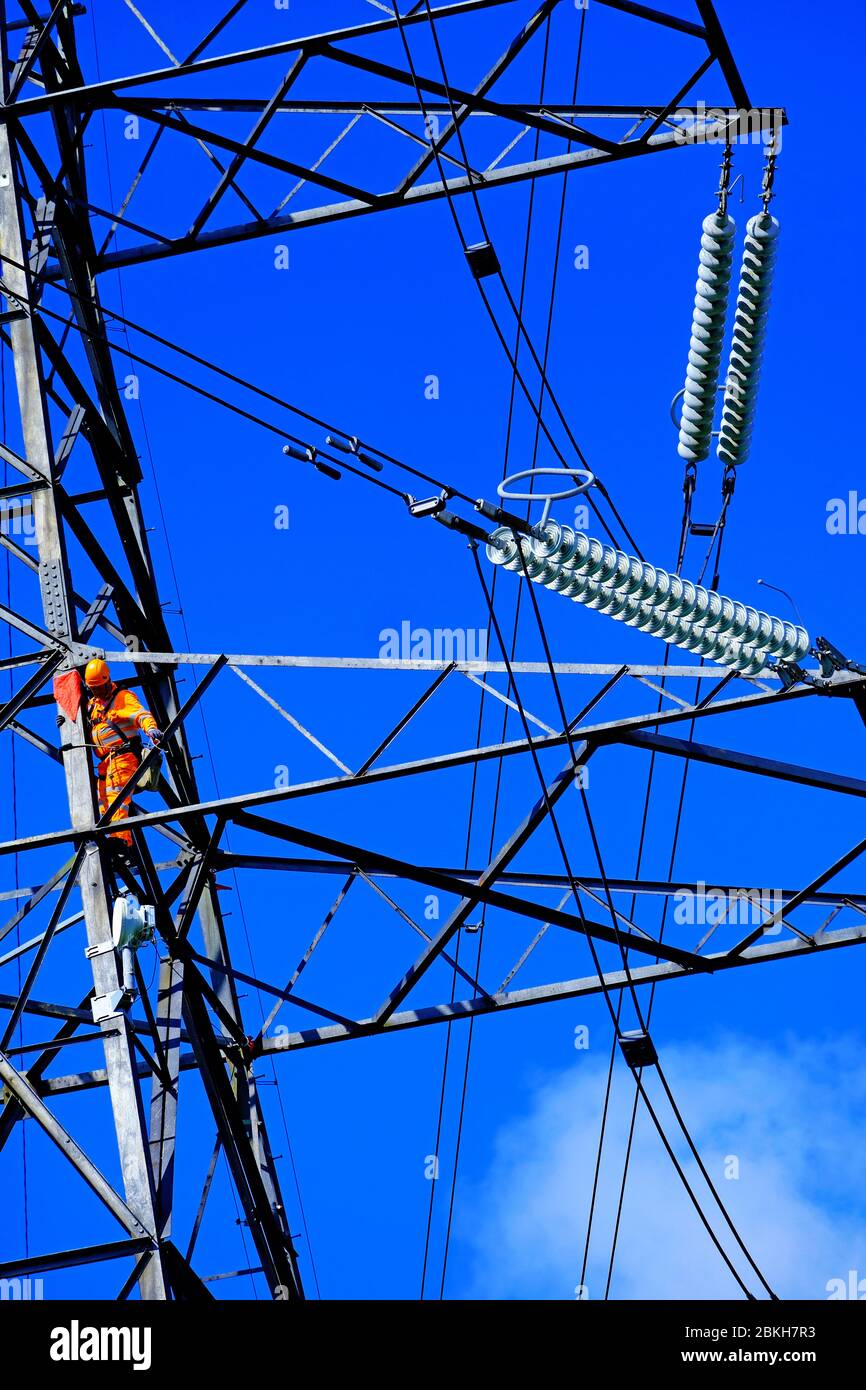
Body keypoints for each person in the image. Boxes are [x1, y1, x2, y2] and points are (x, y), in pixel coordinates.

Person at [83, 659, 163, 847]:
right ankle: (111, 837)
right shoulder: (92, 706)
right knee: (102, 800)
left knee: (116, 796)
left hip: (123, 758)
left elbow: (141, 714)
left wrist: (151, 730)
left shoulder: (122, 697)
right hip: (106, 762)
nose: (97, 692)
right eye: (93, 689)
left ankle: (121, 841)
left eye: (100, 687)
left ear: (108, 681)